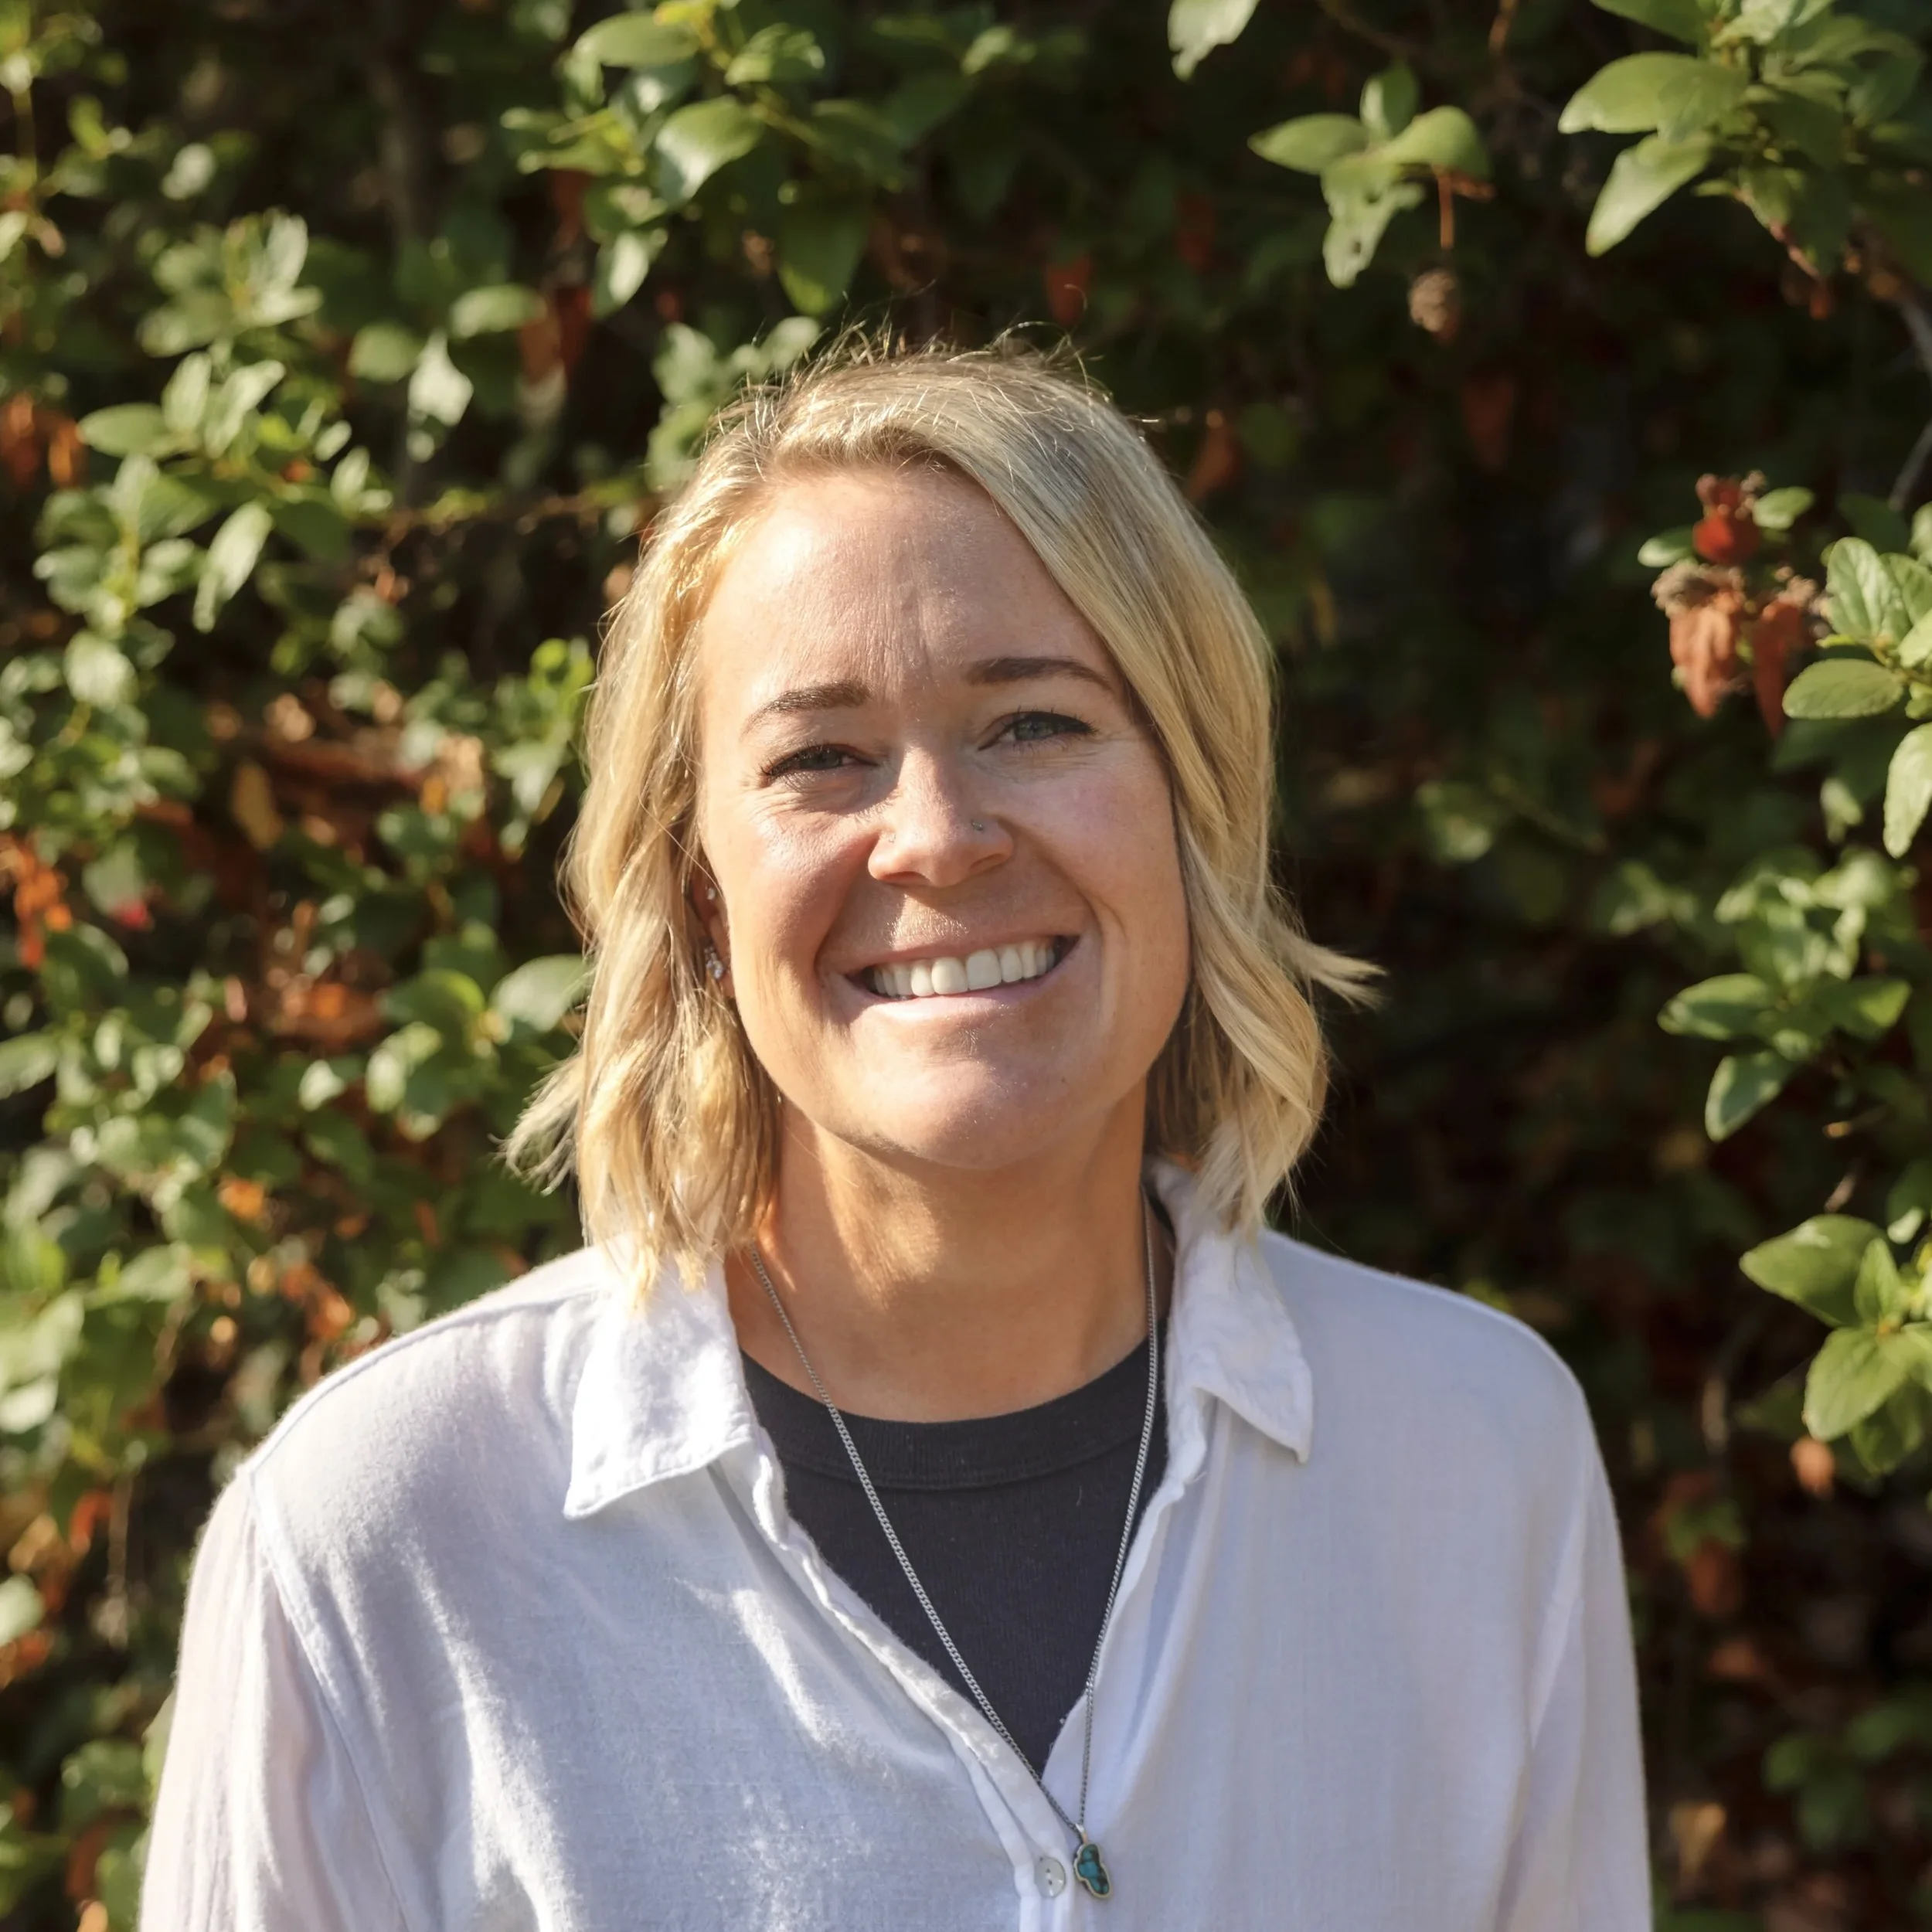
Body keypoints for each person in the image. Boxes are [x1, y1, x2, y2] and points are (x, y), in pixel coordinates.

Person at [141, 342, 1648, 1930]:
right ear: (696, 887)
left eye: (1033, 723)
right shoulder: (387, 1534)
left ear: (1195, 801)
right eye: (818, 759)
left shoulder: (1474, 1454)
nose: (934, 835)